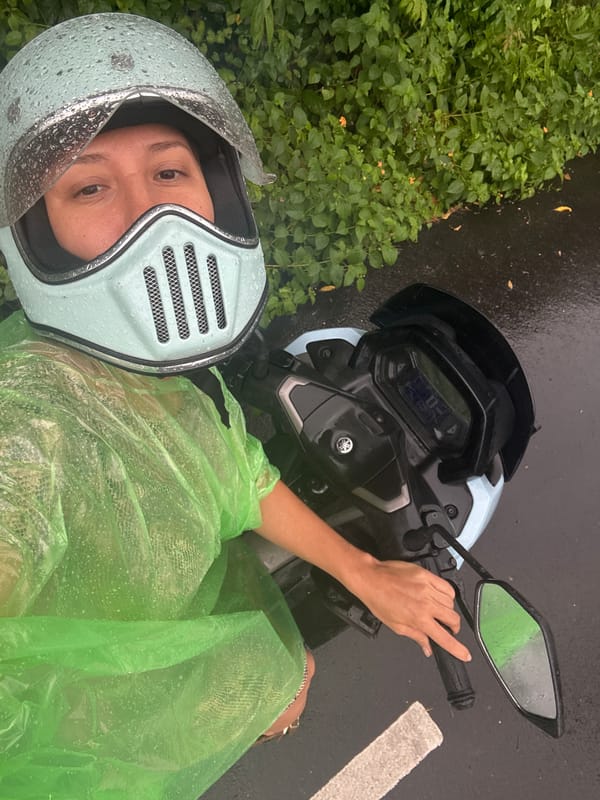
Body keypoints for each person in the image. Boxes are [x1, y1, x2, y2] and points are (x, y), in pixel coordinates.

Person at [0, 13, 470, 799]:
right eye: (89, 186)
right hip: (97, 761)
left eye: (171, 173)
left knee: (288, 690)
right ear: (36, 237)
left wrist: (364, 571)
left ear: (217, 196)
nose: (150, 216)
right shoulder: (34, 415)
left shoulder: (153, 378)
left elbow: (231, 472)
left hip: (213, 648)